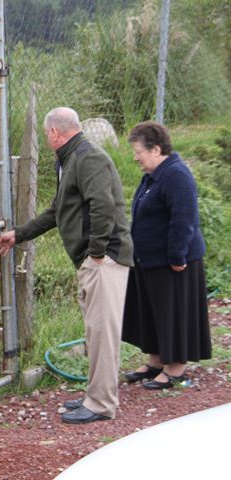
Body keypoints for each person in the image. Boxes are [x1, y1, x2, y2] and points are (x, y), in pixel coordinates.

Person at [0, 107, 133, 424]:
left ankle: (101, 404)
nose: (46, 139)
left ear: (55, 132)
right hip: (93, 260)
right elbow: (57, 210)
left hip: (105, 260)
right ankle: (94, 396)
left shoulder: (88, 158)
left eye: (47, 135)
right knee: (94, 332)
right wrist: (20, 234)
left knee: (103, 333)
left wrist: (96, 252)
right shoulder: (69, 160)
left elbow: (103, 205)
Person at [121, 121, 211, 389]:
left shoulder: (176, 175)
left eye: (139, 151)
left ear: (156, 149)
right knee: (154, 311)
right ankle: (157, 360)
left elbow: (183, 219)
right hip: (149, 260)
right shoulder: (152, 175)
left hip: (173, 262)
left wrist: (176, 256)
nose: (135, 156)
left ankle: (176, 367)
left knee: (174, 312)